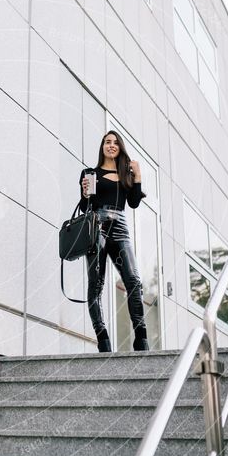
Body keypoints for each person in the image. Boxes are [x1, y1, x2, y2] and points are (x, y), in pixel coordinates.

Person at [78, 131, 148, 353]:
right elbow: (84, 207)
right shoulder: (90, 173)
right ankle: (103, 339)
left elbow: (134, 203)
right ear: (102, 147)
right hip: (96, 229)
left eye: (115, 143)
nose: (111, 145)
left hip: (120, 229)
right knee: (95, 286)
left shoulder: (125, 173)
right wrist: (85, 194)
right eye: (107, 142)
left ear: (120, 148)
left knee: (134, 282)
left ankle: (141, 338)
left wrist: (137, 176)